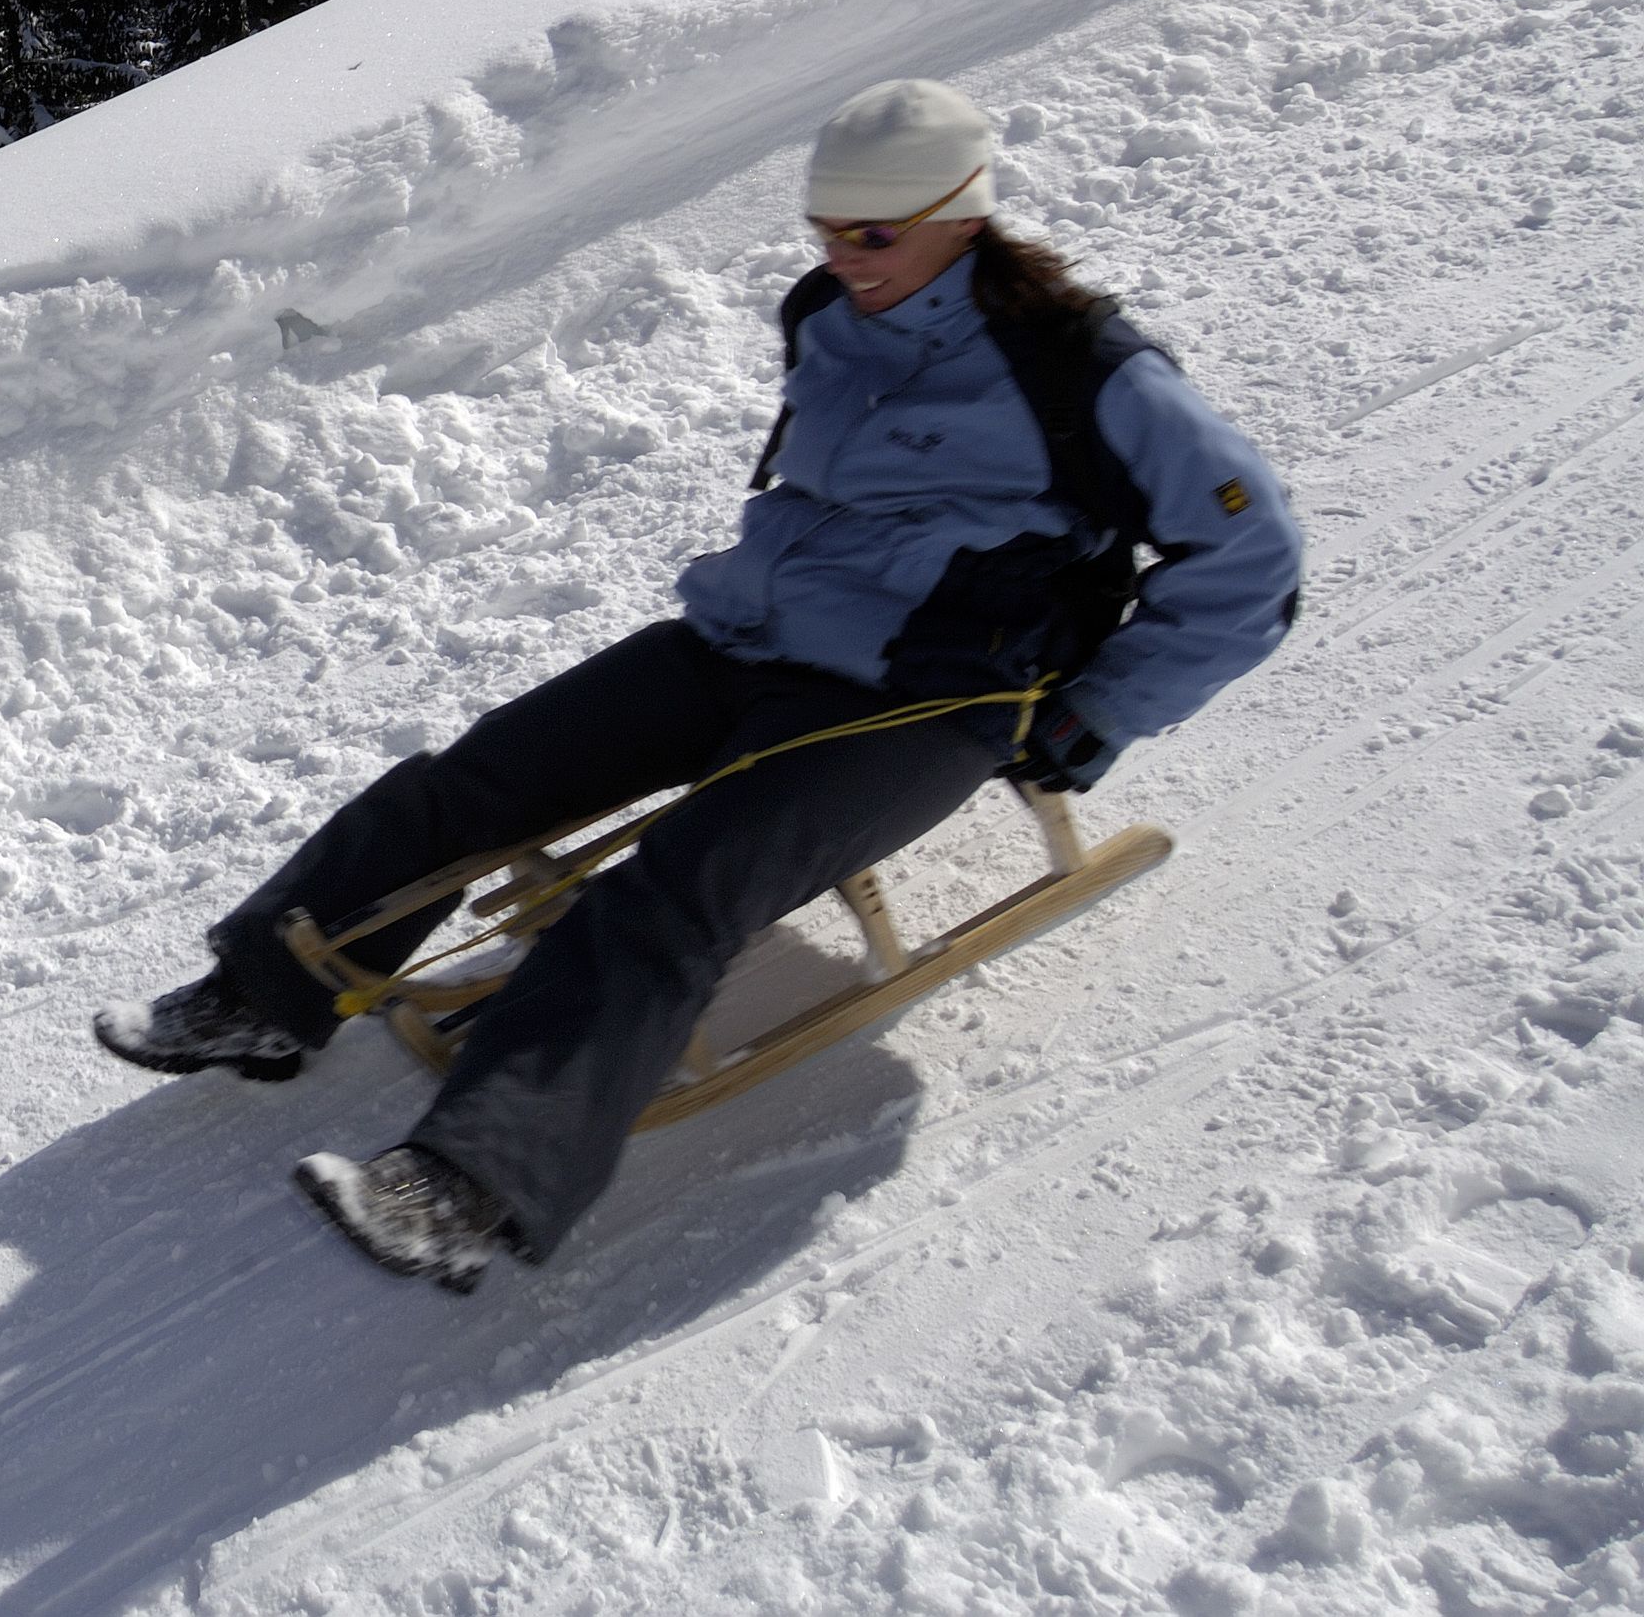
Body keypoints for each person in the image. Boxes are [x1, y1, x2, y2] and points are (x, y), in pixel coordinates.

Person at [95, 80, 1303, 1289]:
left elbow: (1255, 560)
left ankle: (468, 1184)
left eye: (875, 233)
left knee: (670, 893)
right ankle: (265, 994)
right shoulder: (828, 314)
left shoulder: (1086, 369)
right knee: (475, 778)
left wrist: (1099, 711)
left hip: (920, 699)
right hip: (746, 639)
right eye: (826, 228)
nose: (844, 256)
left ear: (962, 214)